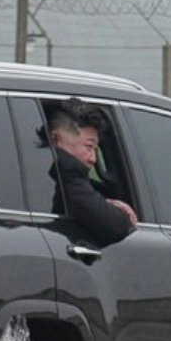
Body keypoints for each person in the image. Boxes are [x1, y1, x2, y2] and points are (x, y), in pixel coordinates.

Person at [46, 98, 138, 244]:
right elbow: (115, 227)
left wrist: (104, 203)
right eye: (89, 147)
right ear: (56, 139)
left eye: (96, 150)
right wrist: (123, 215)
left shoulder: (46, 175)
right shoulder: (68, 172)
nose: (93, 159)